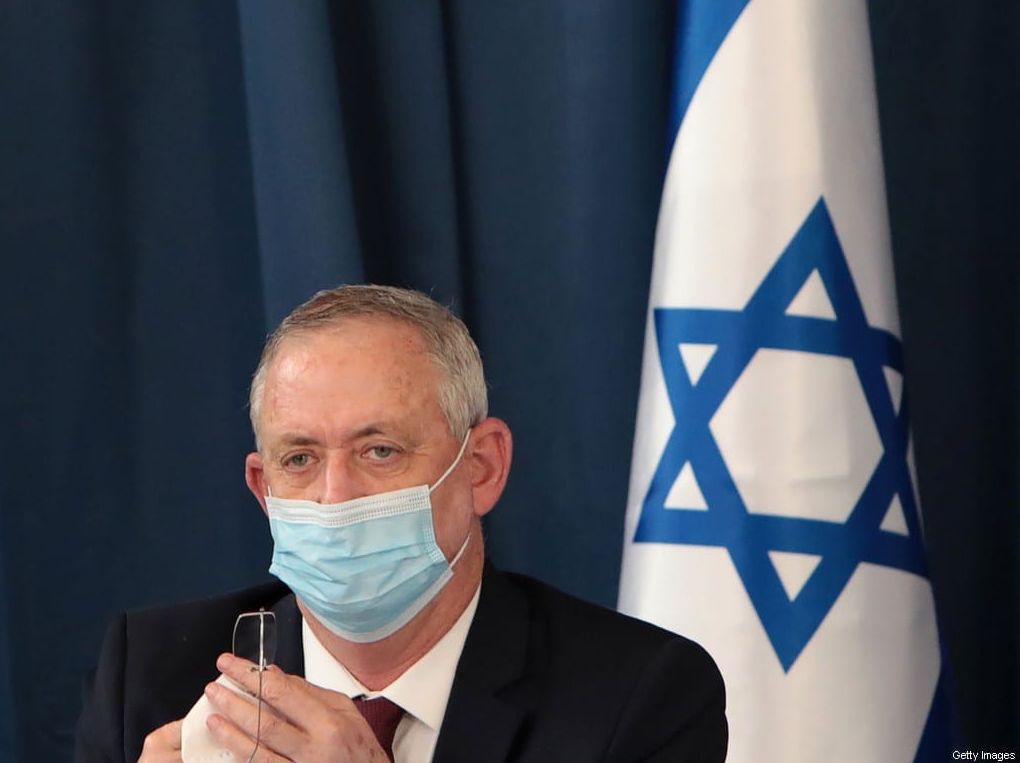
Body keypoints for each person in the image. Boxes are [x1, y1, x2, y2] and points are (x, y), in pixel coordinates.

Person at [74, 284, 727, 763]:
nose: (335, 496)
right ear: (264, 489)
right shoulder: (156, 678)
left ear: (481, 467)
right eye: (300, 459)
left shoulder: (638, 695)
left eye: (378, 451)